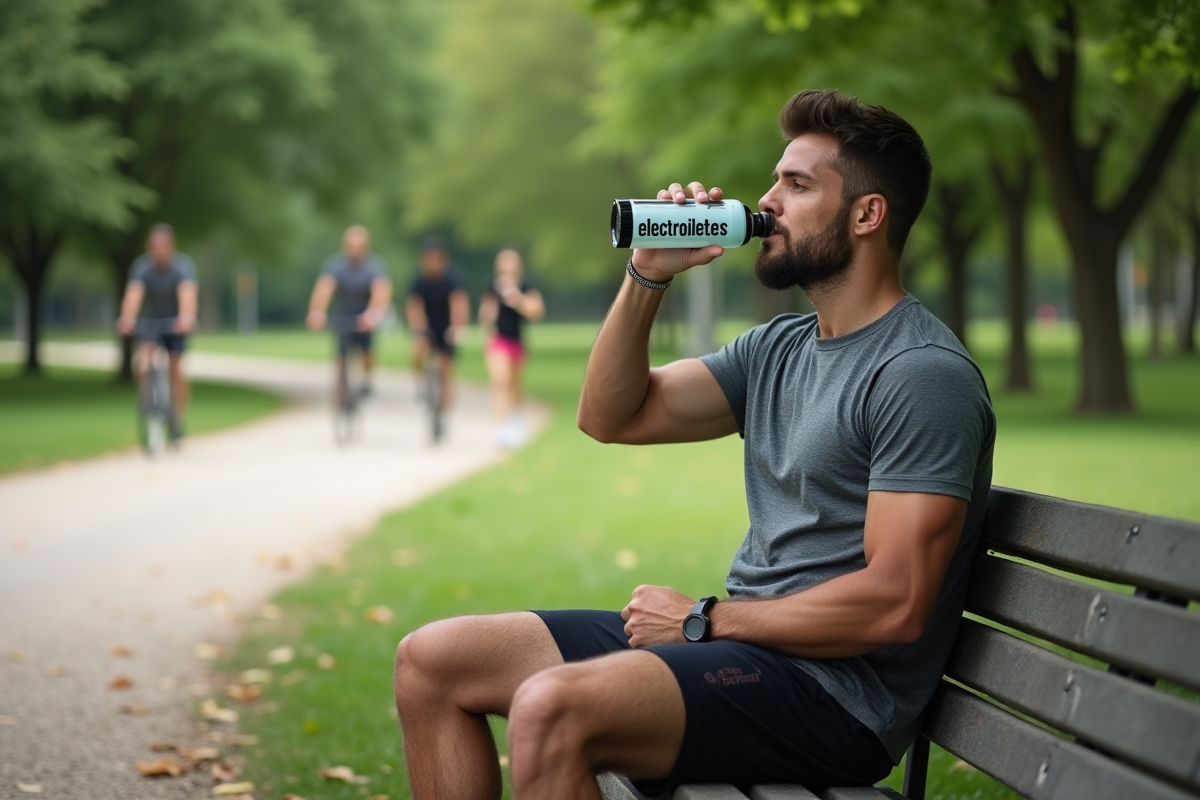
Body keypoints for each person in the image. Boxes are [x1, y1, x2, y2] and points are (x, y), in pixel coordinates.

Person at [393, 89, 996, 798]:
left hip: (833, 698)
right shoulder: (781, 347)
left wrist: (702, 620)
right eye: (775, 179)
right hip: (740, 652)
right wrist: (648, 273)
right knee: (431, 661)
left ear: (867, 215)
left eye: (797, 185)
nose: (766, 201)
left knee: (552, 707)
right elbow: (611, 414)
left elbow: (893, 604)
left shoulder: (920, 375)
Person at [116, 223, 198, 441]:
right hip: (152, 323)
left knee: (175, 366)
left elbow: (187, 295)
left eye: (163, 245)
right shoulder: (141, 267)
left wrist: (186, 318)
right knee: (142, 360)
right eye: (154, 246)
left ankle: (176, 417)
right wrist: (127, 318)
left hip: (176, 324)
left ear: (171, 246)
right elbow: (133, 295)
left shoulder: (182, 266)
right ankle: (148, 401)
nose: (159, 250)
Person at [306, 225, 392, 402]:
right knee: (340, 358)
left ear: (366, 247)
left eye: (359, 247)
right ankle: (340, 395)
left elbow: (381, 292)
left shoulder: (374, 266)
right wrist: (317, 312)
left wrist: (372, 314)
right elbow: (324, 290)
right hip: (343, 316)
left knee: (367, 354)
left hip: (365, 318)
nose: (355, 251)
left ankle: (367, 385)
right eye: (351, 246)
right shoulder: (335, 266)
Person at [479, 248, 545, 448]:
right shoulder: (492, 286)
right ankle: (500, 428)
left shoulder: (526, 285)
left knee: (515, 385)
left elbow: (537, 312)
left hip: (516, 340)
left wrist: (517, 299)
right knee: (501, 381)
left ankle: (515, 423)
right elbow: (486, 314)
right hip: (498, 340)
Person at [406, 237, 470, 428]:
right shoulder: (418, 280)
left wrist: (458, 328)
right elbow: (414, 307)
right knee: (417, 351)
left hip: (447, 326)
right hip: (427, 325)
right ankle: (420, 386)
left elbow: (459, 304)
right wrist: (418, 328)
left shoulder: (453, 278)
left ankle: (444, 412)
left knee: (446, 369)